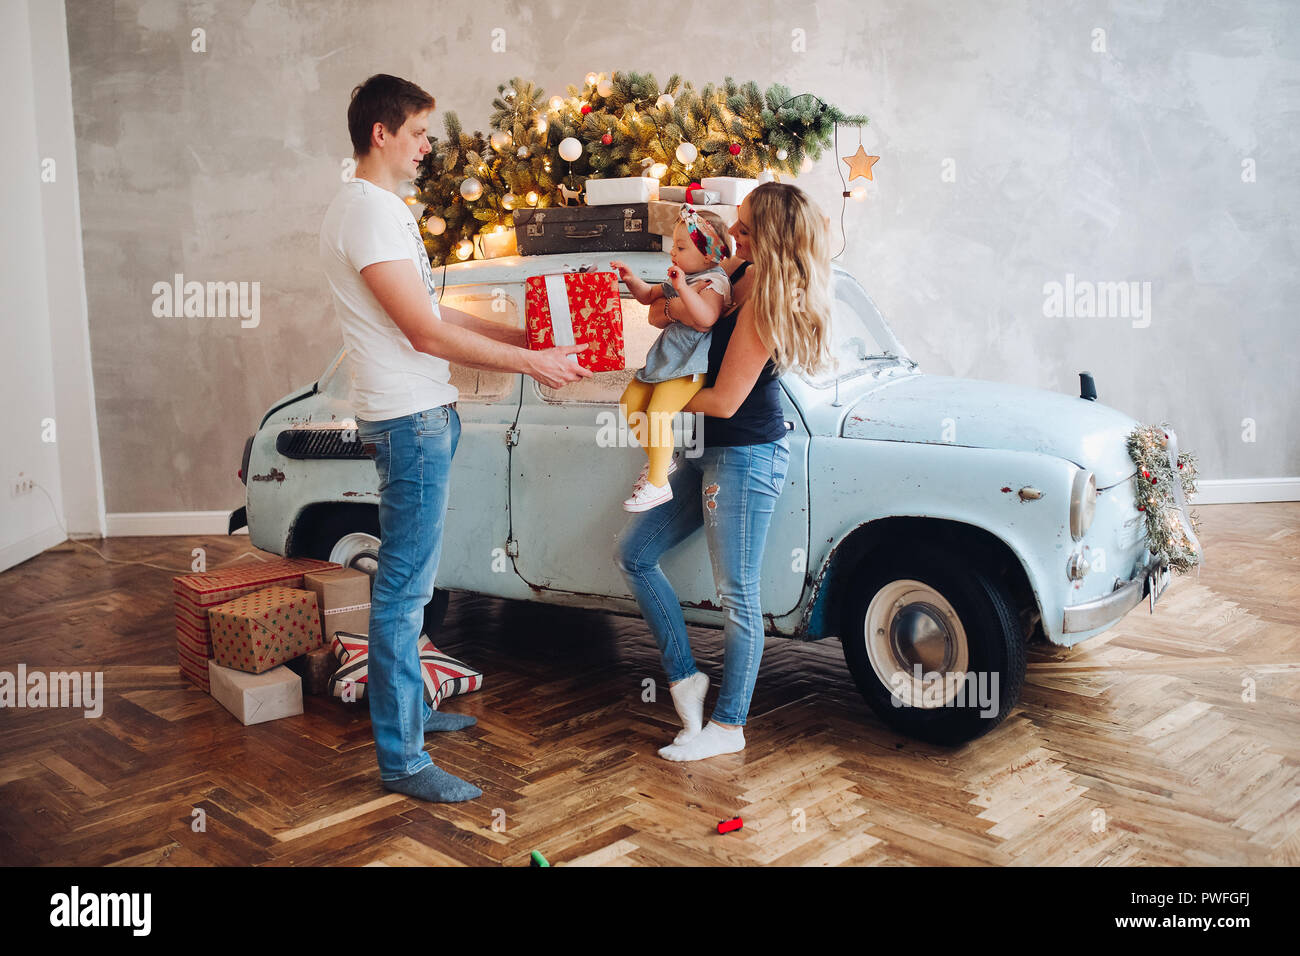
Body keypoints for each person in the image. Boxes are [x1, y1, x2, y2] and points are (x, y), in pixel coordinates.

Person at [319, 74, 591, 802]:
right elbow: (421, 331)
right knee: (403, 593)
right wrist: (532, 360)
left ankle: (410, 713)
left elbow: (436, 309)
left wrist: (523, 332)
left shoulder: (385, 211)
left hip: (423, 414)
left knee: (415, 582)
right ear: (381, 134)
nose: (427, 147)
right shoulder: (366, 213)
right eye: (418, 134)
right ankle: (402, 760)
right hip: (409, 421)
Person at [614, 182, 834, 762]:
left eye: (743, 227)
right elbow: (682, 304)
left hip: (746, 454)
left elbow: (724, 402)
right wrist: (652, 298)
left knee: (737, 596)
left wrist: (652, 396)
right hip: (712, 451)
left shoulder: (769, 301)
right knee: (635, 553)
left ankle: (730, 725)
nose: (732, 236)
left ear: (772, 236)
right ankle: (685, 678)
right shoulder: (740, 273)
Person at [609, 205, 733, 512]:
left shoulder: (714, 281)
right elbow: (648, 296)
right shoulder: (687, 275)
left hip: (689, 364)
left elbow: (706, 317)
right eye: (672, 247)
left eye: (681, 247)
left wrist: (681, 289)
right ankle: (660, 463)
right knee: (630, 403)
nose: (673, 253)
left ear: (708, 254)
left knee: (659, 413)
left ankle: (657, 483)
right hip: (665, 358)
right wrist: (631, 279)